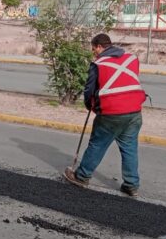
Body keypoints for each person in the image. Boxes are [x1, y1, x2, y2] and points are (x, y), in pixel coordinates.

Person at [62, 33, 146, 197]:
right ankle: (131, 184)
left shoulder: (98, 64)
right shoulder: (131, 58)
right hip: (135, 111)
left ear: (99, 46)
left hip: (111, 112)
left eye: (94, 49)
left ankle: (82, 176)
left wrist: (90, 105)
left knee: (97, 144)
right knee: (129, 148)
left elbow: (89, 90)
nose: (94, 53)